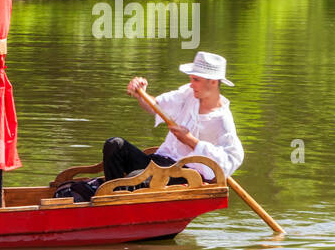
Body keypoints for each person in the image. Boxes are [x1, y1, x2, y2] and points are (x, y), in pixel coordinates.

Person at [102, 51, 244, 184]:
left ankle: (118, 195)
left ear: (213, 82)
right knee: (115, 144)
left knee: (136, 177)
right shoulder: (187, 95)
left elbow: (229, 160)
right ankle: (113, 196)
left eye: (196, 80)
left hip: (182, 173)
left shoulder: (222, 119)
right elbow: (155, 106)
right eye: (191, 79)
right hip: (158, 162)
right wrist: (141, 94)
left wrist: (191, 140)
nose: (191, 84)